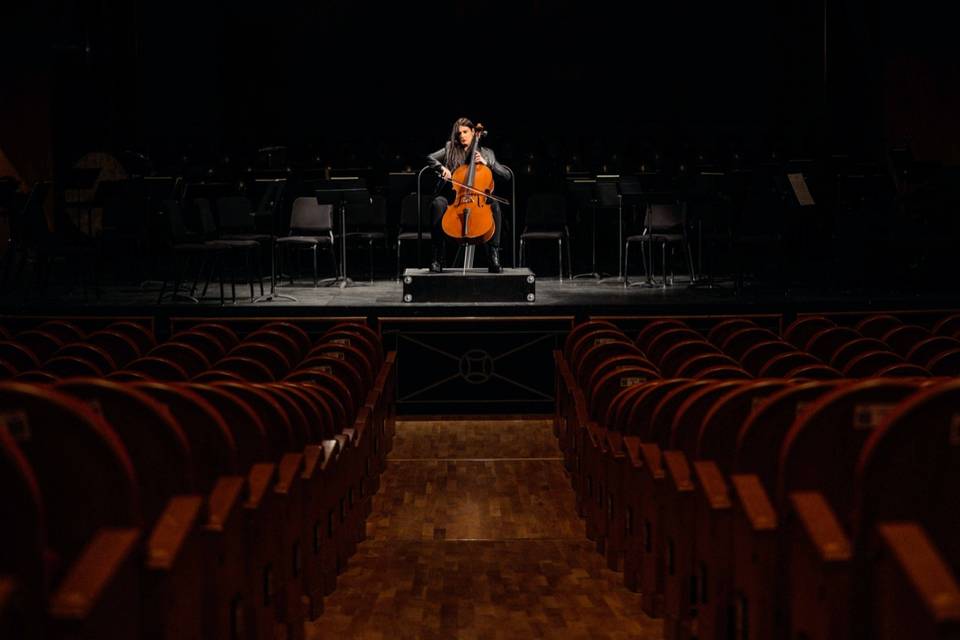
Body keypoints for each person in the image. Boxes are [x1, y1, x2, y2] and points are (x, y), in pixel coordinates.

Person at [425, 117, 510, 273]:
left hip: (478, 199)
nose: (462, 136)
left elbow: (506, 175)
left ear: (473, 132)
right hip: (454, 197)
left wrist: (487, 163)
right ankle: (437, 258)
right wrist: (441, 168)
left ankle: (493, 256)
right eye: (459, 134)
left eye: (465, 132)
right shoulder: (450, 148)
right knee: (438, 204)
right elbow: (430, 157)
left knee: (495, 205)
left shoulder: (486, 153)